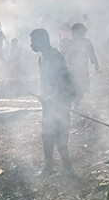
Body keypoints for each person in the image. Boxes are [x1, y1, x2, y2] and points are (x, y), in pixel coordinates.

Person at [29, 28, 76, 177]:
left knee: (60, 136)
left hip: (60, 103)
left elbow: (63, 80)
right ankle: (48, 167)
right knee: (47, 134)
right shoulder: (42, 58)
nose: (31, 44)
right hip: (49, 104)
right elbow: (45, 81)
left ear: (42, 40)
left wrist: (53, 97)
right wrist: (44, 95)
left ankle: (68, 169)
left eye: (33, 41)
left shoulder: (56, 56)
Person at [64, 22, 99, 107]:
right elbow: (65, 56)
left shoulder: (86, 42)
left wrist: (95, 63)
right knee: (73, 89)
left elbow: (91, 53)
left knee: (81, 90)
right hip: (72, 70)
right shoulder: (70, 43)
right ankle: (72, 105)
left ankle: (76, 105)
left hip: (82, 70)